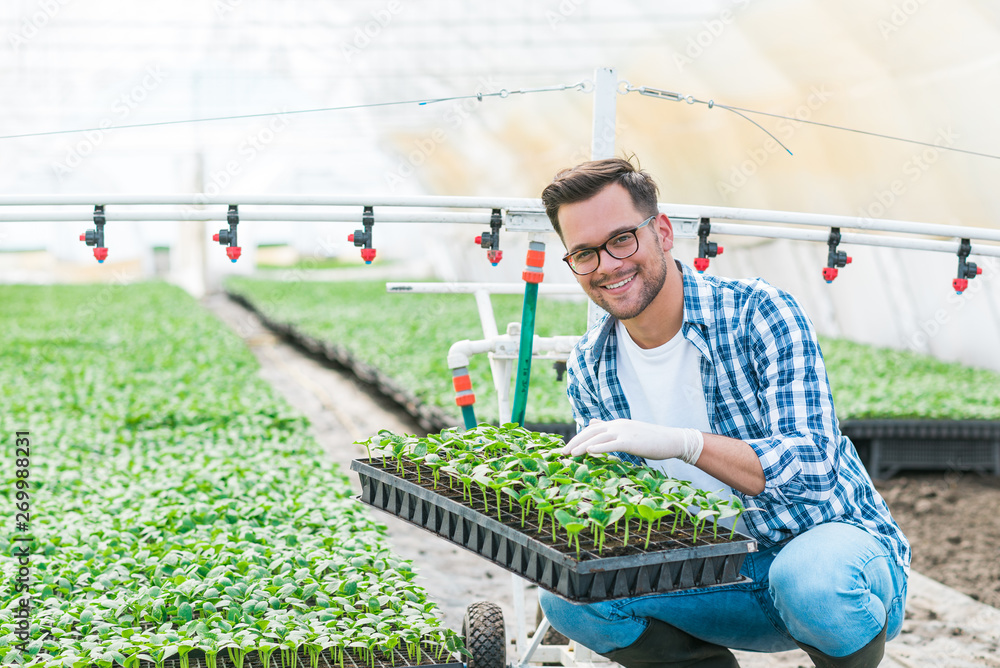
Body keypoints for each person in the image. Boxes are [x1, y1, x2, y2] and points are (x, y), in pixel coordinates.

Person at [536, 157, 909, 668]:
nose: (606, 265)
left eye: (622, 239)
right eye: (583, 253)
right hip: (712, 580)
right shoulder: (591, 365)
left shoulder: (759, 314)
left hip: (829, 563)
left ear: (662, 233)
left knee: (812, 578)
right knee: (568, 596)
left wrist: (685, 444)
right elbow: (620, 515)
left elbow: (814, 470)